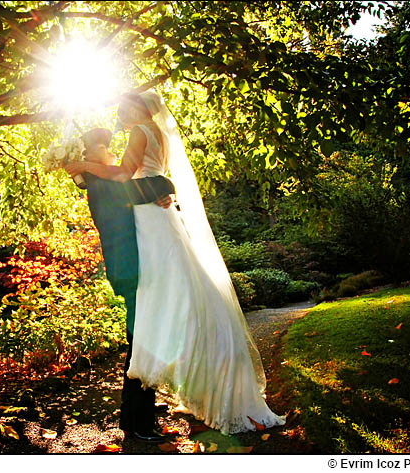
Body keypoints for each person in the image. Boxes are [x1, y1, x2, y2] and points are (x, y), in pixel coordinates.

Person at [65, 93, 286, 434]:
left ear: (140, 108)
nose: (120, 114)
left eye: (124, 107)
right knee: (174, 305)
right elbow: (144, 178)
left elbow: (125, 174)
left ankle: (147, 415)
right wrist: (160, 187)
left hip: (152, 230)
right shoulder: (157, 136)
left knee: (165, 308)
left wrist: (83, 167)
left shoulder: (139, 130)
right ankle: (156, 410)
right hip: (154, 228)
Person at [73, 127, 175, 443]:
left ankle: (135, 417)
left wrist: (162, 195)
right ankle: (138, 423)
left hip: (134, 267)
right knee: (142, 342)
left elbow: (142, 192)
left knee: (142, 340)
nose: (113, 154)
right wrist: (167, 186)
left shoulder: (102, 180)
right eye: (105, 149)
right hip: (131, 269)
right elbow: (145, 188)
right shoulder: (103, 184)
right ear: (93, 155)